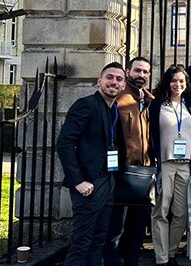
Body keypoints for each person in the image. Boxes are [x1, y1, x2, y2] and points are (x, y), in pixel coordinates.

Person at [57, 62, 126, 266]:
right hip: (88, 184)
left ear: (123, 86)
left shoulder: (113, 110)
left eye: (119, 79)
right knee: (82, 243)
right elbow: (64, 143)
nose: (114, 82)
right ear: (99, 81)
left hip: (108, 181)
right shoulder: (86, 104)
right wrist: (77, 180)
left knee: (98, 241)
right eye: (109, 77)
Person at [149, 65, 191, 266]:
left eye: (181, 81)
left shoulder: (190, 104)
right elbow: (150, 135)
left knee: (181, 213)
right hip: (164, 163)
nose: (178, 84)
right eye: (174, 80)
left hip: (185, 164)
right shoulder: (157, 105)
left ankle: (172, 251)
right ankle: (162, 257)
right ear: (167, 82)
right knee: (161, 211)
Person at [103, 57, 153, 266]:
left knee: (138, 222)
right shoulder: (120, 98)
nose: (141, 75)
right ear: (128, 72)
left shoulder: (148, 99)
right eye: (137, 71)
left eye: (145, 72)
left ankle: (132, 259)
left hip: (144, 170)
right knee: (116, 224)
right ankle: (112, 261)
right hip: (123, 170)